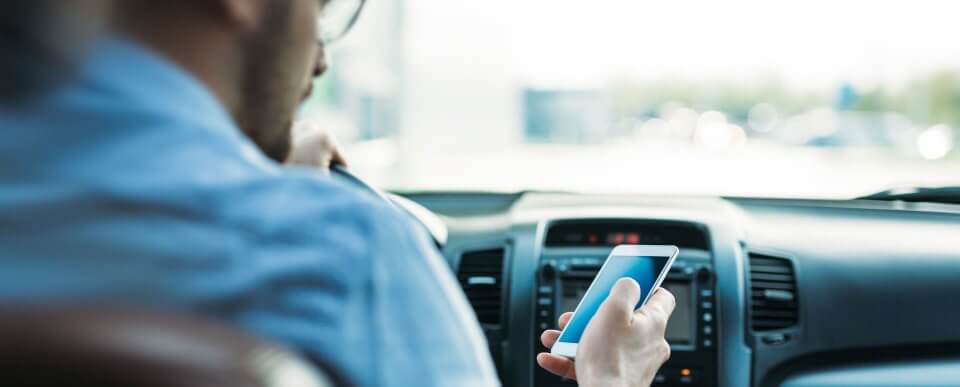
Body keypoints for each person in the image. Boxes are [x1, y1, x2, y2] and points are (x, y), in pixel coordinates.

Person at [0, 0, 676, 386]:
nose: (320, 58)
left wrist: (271, 186)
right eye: (317, 10)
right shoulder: (343, 256)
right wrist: (611, 375)